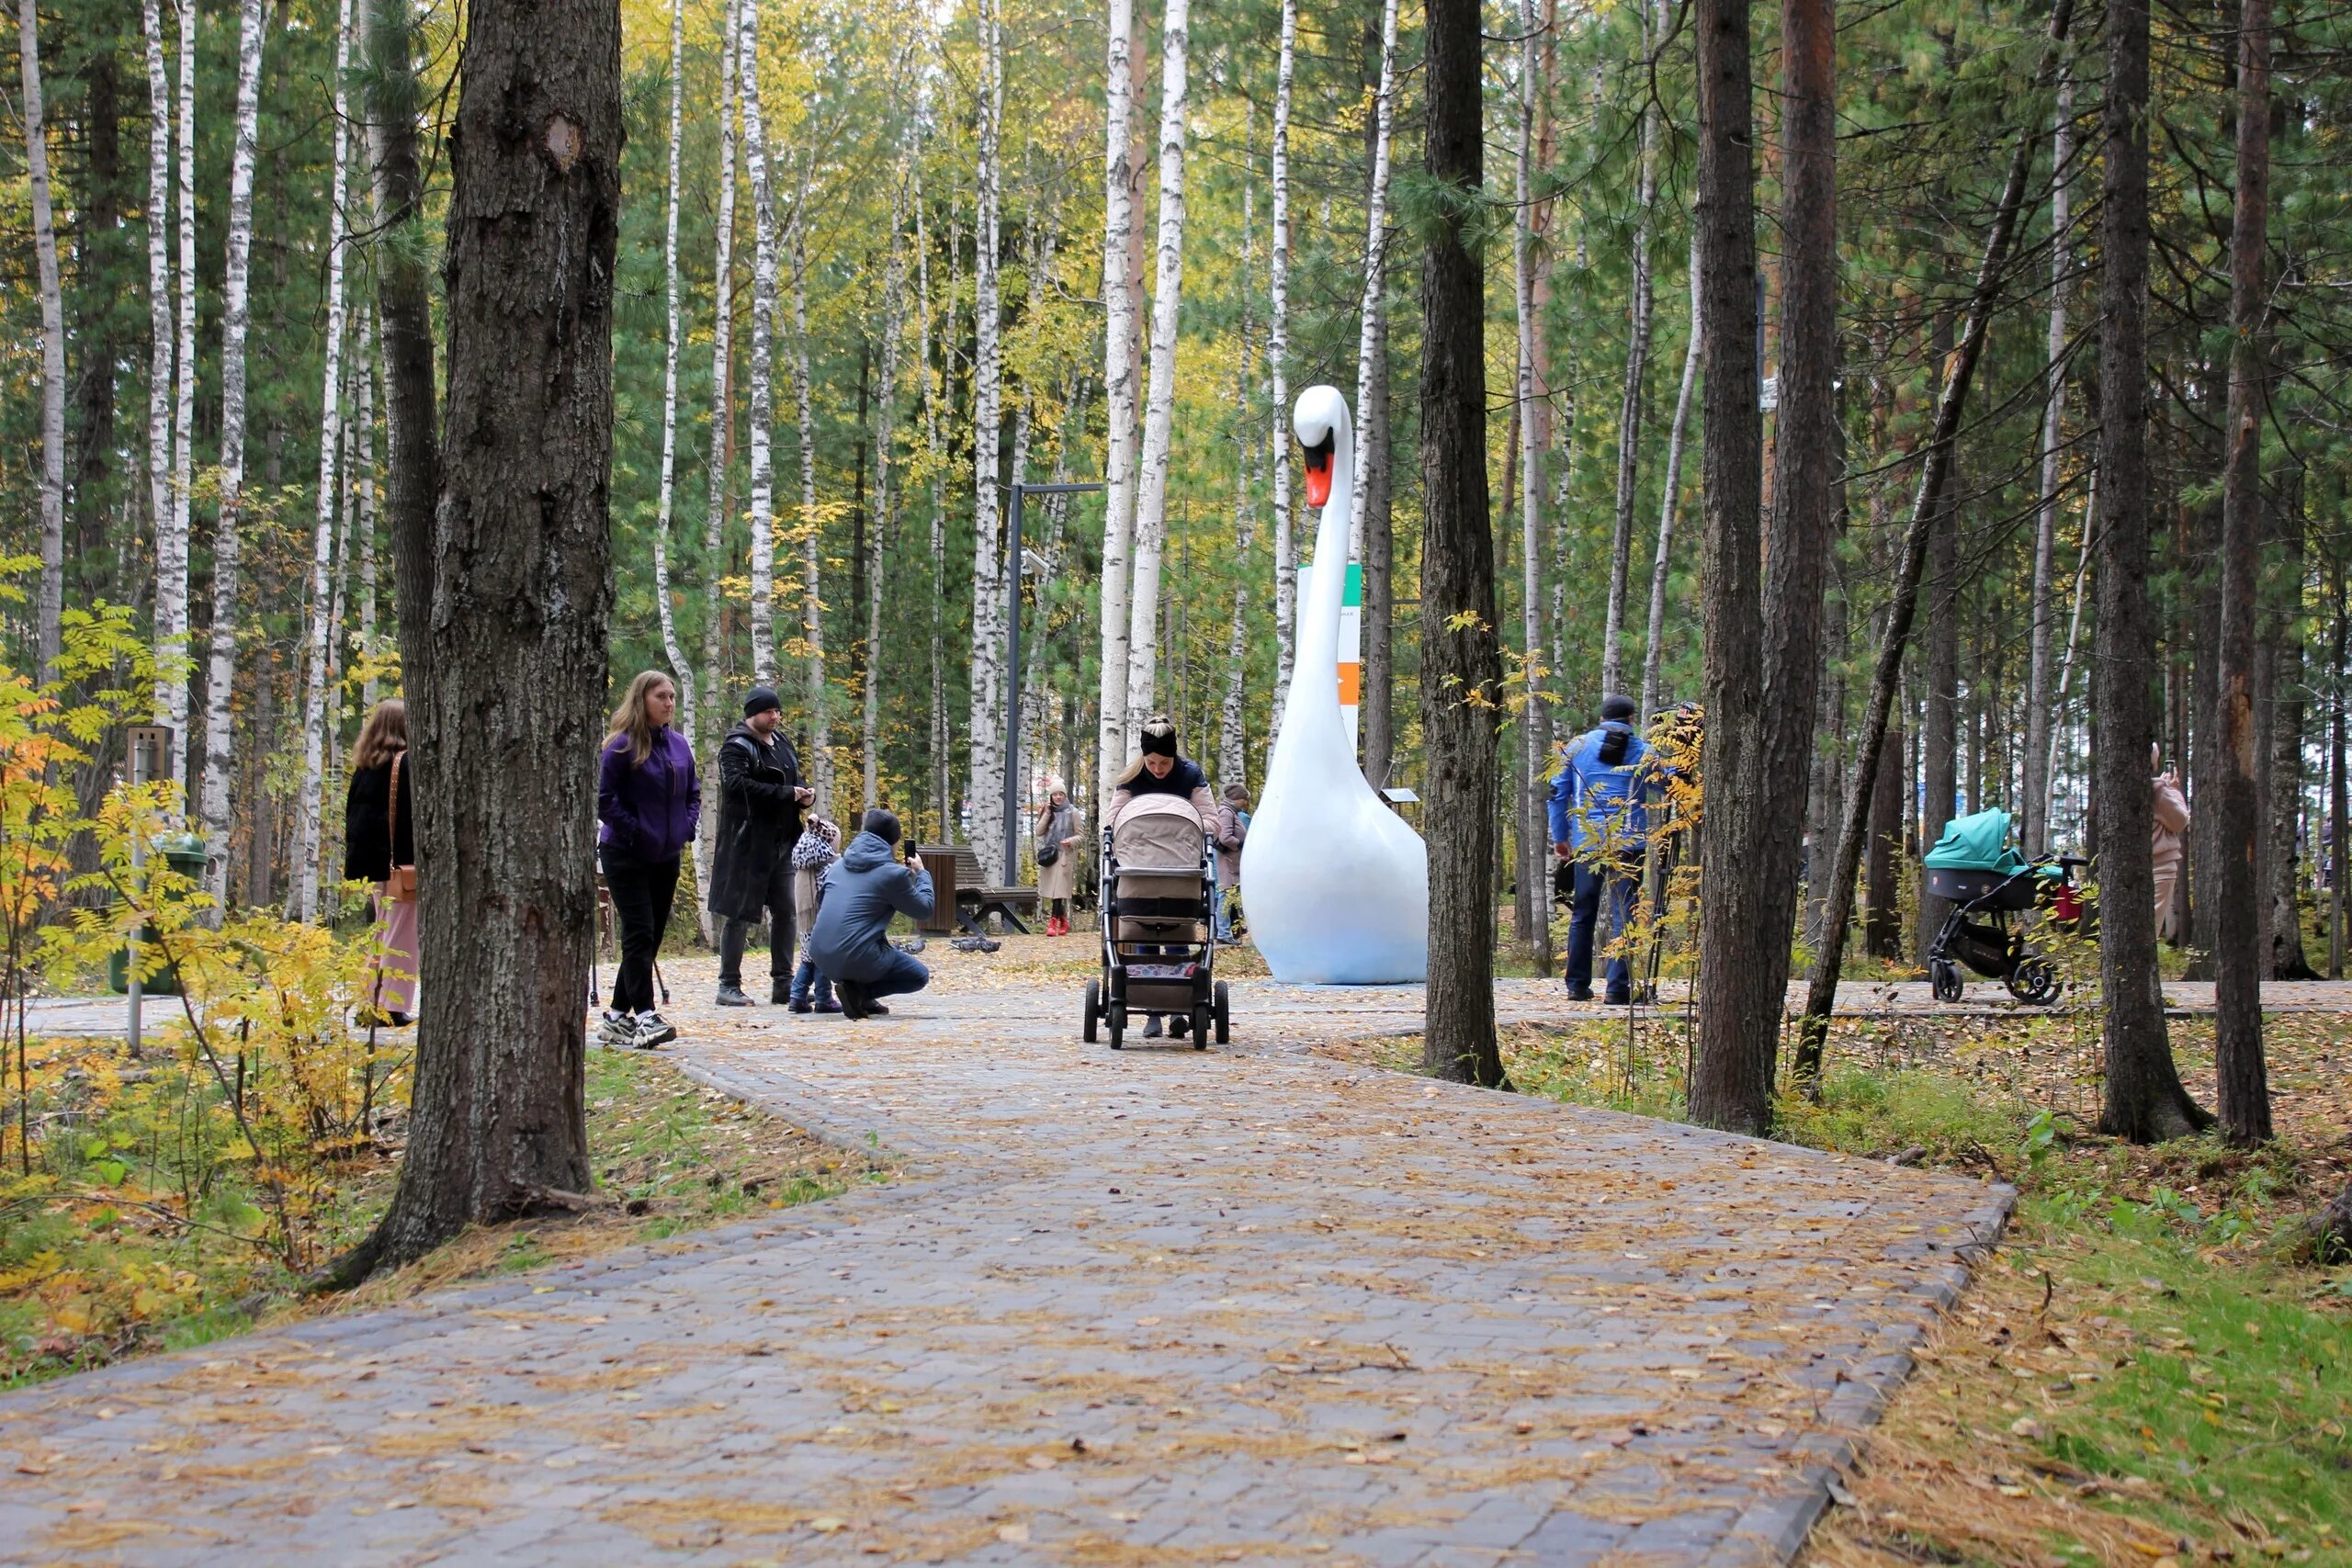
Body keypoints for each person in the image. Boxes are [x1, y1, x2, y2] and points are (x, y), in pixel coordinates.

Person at [597, 671, 699, 1049]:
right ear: (642, 699)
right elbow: (605, 799)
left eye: (673, 697)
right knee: (639, 930)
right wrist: (636, 832)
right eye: (662, 697)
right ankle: (645, 1015)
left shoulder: (679, 745)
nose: (669, 703)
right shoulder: (621, 747)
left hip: (667, 853)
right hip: (626, 852)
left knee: (651, 934)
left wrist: (686, 828)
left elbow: (693, 794)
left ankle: (615, 1016)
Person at [706, 686, 814, 1007]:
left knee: (787, 912)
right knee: (739, 914)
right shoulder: (736, 746)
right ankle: (728, 985)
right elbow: (737, 787)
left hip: (783, 842)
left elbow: (795, 777)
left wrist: (806, 796)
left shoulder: (782, 743)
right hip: (748, 844)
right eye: (769, 712)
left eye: (777, 711)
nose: (775, 717)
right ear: (752, 713)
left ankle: (784, 982)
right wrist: (786, 794)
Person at [1109, 716, 1217, 1038]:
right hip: (1141, 870)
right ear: (1143, 758)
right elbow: (1113, 821)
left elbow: (1212, 822)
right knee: (1142, 933)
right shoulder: (1132, 777)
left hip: (1180, 869)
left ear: (1174, 757)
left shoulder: (1190, 775)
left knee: (1177, 936)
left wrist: (1179, 828)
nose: (1158, 769)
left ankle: (1178, 1007)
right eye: (1152, 762)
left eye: (1164, 762)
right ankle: (1153, 1012)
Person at [1549, 694, 1657, 1005]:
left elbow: (1558, 794)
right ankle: (1617, 989)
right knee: (1625, 913)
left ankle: (1577, 986)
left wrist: (1561, 837)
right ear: (1631, 719)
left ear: (1601, 718)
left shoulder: (1578, 747)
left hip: (1587, 842)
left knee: (1583, 913)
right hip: (1629, 842)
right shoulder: (1643, 750)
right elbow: (1666, 784)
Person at [808, 808, 934, 1020]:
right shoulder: (892, 874)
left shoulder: (837, 867)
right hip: (856, 956)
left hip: (820, 954)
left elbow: (823, 903)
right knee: (918, 975)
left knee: (873, 944)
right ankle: (859, 993)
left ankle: (859, 995)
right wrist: (922, 873)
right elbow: (924, 910)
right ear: (892, 843)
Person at [342, 698, 417, 1027]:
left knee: (382, 932)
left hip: (372, 864)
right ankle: (391, 1005)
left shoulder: (365, 767)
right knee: (401, 934)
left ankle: (371, 1000)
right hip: (400, 863)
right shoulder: (407, 764)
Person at [787, 817, 842, 1012]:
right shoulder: (826, 866)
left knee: (808, 961)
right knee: (821, 960)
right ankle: (824, 998)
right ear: (828, 842)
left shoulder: (804, 865)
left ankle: (796, 997)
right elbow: (832, 894)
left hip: (806, 922)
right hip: (820, 921)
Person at [2153, 743, 2189, 944]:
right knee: (2150, 927)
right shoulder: (2159, 791)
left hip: (2137, 869)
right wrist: (2174, 791)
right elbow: (2180, 821)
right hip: (2160, 869)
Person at [1035, 787, 1081, 937]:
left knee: (1058, 890)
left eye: (1060, 794)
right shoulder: (1047, 811)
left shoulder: (1073, 812)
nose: (1058, 797)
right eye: (1055, 794)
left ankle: (1052, 923)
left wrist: (1071, 841)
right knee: (1054, 891)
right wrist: (1047, 813)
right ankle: (1063, 921)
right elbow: (1039, 831)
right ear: (1051, 796)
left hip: (1064, 855)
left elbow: (1081, 835)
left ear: (1065, 795)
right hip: (1050, 855)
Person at [1214, 783, 1250, 942]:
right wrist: (1240, 845)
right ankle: (1223, 933)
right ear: (1237, 798)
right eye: (1244, 799)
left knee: (1231, 895)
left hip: (1232, 861)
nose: (1245, 803)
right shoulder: (1226, 812)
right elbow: (1225, 837)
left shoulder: (1231, 812)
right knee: (1225, 895)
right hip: (1229, 861)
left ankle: (1231, 930)